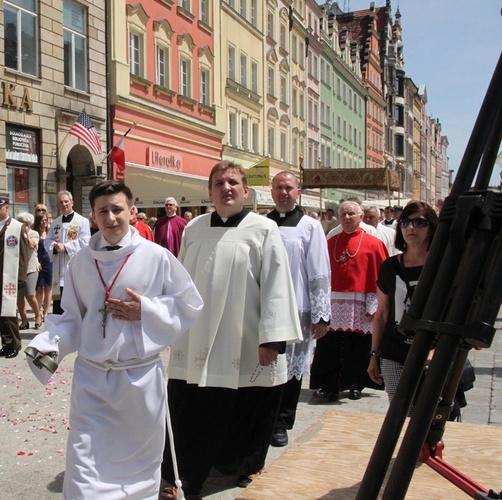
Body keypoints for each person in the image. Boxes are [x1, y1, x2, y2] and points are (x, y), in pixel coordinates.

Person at [26, 180, 203, 499]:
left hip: (138, 381)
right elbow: (72, 318)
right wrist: (48, 345)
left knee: (137, 473)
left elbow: (188, 303)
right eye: (102, 211)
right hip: (92, 382)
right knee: (84, 468)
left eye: (117, 209)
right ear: (93, 217)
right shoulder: (81, 262)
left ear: (132, 211)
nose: (110, 218)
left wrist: (146, 311)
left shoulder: (155, 257)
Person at [162, 161, 302, 498]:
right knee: (191, 404)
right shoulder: (194, 227)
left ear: (246, 191)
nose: (227, 188)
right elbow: (179, 280)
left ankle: (245, 465)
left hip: (246, 336)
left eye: (234, 182)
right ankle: (186, 470)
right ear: (209, 192)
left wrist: (273, 339)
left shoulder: (263, 229)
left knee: (249, 405)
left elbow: (277, 285)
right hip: (197, 334)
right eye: (219, 183)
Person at [267, 172, 331, 448]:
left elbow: (319, 271)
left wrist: (321, 314)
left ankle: (282, 421)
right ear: (271, 191)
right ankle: (263, 420)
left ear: (298, 192)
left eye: (288, 188)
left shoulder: (310, 226)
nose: (284, 192)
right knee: (265, 366)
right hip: (263, 306)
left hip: (296, 306)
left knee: (291, 371)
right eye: (279, 187)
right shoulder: (260, 223)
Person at [310, 201, 388, 402]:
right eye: (343, 214)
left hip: (361, 301)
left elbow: (382, 275)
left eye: (351, 214)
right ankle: (329, 387)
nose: (347, 218)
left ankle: (356, 385)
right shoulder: (330, 241)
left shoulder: (374, 243)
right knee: (330, 346)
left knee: (358, 346)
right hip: (333, 301)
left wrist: (376, 304)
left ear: (360, 217)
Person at [368, 202, 438, 402]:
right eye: (405, 222)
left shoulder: (442, 266)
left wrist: (436, 350)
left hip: (432, 352)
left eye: (419, 222)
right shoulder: (390, 267)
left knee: (429, 416)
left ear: (432, 227)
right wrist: (374, 355)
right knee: (400, 411)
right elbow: (381, 314)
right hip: (395, 351)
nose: (411, 227)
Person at [0, 194, 29, 358]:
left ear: (7, 207)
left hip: (11, 275)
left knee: (9, 312)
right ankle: (6, 343)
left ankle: (15, 344)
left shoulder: (18, 227)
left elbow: (24, 254)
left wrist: (21, 277)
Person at [44, 190, 90, 315]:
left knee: (74, 304)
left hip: (74, 267)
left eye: (66, 201)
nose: (64, 204)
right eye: (61, 202)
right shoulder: (55, 223)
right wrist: (55, 246)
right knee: (59, 306)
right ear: (58, 205)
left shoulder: (82, 221)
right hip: (58, 270)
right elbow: (47, 241)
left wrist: (67, 247)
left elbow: (85, 242)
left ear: (72, 203)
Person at [16, 212, 42, 330]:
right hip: (19, 268)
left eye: (22, 222)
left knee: (30, 294)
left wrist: (25, 233)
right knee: (19, 296)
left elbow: (32, 245)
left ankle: (38, 315)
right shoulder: (15, 234)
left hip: (31, 268)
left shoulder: (34, 233)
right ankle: (24, 320)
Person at [33, 213, 53, 319]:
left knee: (48, 288)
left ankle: (46, 312)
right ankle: (39, 310)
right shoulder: (35, 233)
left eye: (46, 220)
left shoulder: (50, 233)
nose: (44, 222)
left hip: (49, 261)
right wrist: (37, 261)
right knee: (39, 288)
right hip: (39, 261)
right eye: (42, 220)